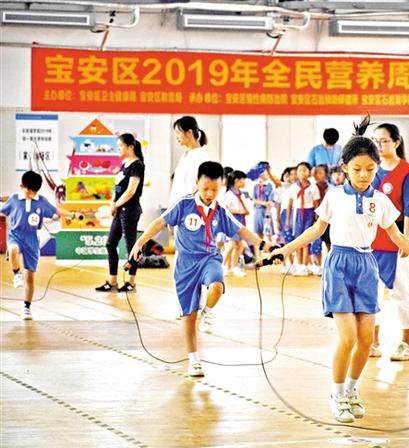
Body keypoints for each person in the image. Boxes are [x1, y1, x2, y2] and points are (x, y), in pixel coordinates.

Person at [268, 130, 409, 424]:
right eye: (357, 169)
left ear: (377, 168)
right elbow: (315, 230)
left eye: (370, 169)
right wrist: (283, 250)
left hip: (367, 266)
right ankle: (336, 394)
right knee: (348, 337)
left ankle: (350, 390)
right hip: (338, 265)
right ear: (345, 167)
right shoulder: (334, 196)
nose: (363, 175)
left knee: (365, 340)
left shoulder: (381, 201)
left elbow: (398, 237)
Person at [129, 161, 275, 377]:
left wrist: (263, 245)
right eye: (205, 188)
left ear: (221, 187)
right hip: (185, 264)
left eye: (215, 190)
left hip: (209, 258)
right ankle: (193, 359)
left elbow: (241, 230)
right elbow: (160, 222)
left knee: (217, 286)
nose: (209, 194)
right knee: (189, 316)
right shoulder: (184, 204)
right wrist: (139, 243)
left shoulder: (220, 211)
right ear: (196, 183)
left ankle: (208, 312)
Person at [368, 122, 409, 362]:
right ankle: (373, 342)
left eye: (384, 141)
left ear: (397, 142)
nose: (379, 145)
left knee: (401, 293)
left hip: (395, 240)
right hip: (371, 241)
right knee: (371, 294)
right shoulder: (370, 169)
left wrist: (405, 241)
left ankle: (406, 344)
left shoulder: (407, 172)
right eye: (376, 141)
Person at [1, 171, 80, 319]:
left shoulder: (41, 201)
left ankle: (26, 307)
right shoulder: (14, 199)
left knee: (30, 277)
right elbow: (3, 211)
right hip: (16, 235)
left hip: (32, 239)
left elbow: (56, 210)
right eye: (28, 191)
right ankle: (16, 274)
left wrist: (72, 215)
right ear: (21, 186)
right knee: (12, 250)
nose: (31, 194)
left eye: (34, 192)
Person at [95, 133, 145, 293]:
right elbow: (119, 189)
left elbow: (130, 191)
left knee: (131, 246)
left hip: (129, 211)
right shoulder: (124, 165)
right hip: (119, 210)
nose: (118, 149)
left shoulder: (137, 165)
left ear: (130, 147)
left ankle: (131, 282)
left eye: (120, 146)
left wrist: (115, 205)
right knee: (110, 244)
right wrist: (113, 202)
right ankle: (112, 281)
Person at [285, 162, 321, 276]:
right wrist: (288, 219)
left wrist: (317, 219)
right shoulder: (293, 187)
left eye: (304, 170)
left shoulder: (313, 187)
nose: (301, 172)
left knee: (306, 240)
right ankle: (299, 264)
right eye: (299, 170)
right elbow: (290, 204)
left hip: (309, 213)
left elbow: (316, 205)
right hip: (297, 214)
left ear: (309, 173)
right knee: (298, 240)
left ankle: (305, 265)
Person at [168, 116, 209, 207]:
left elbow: (200, 188)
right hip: (178, 208)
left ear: (189, 133)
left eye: (178, 133)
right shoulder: (186, 155)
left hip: (188, 209)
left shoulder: (200, 156)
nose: (176, 137)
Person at [220, 170, 249, 278]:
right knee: (231, 244)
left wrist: (245, 211)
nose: (245, 182)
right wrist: (239, 211)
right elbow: (225, 209)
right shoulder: (229, 194)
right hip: (232, 220)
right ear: (237, 180)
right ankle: (222, 266)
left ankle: (233, 267)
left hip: (241, 220)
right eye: (243, 179)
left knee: (239, 245)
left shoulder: (240, 194)